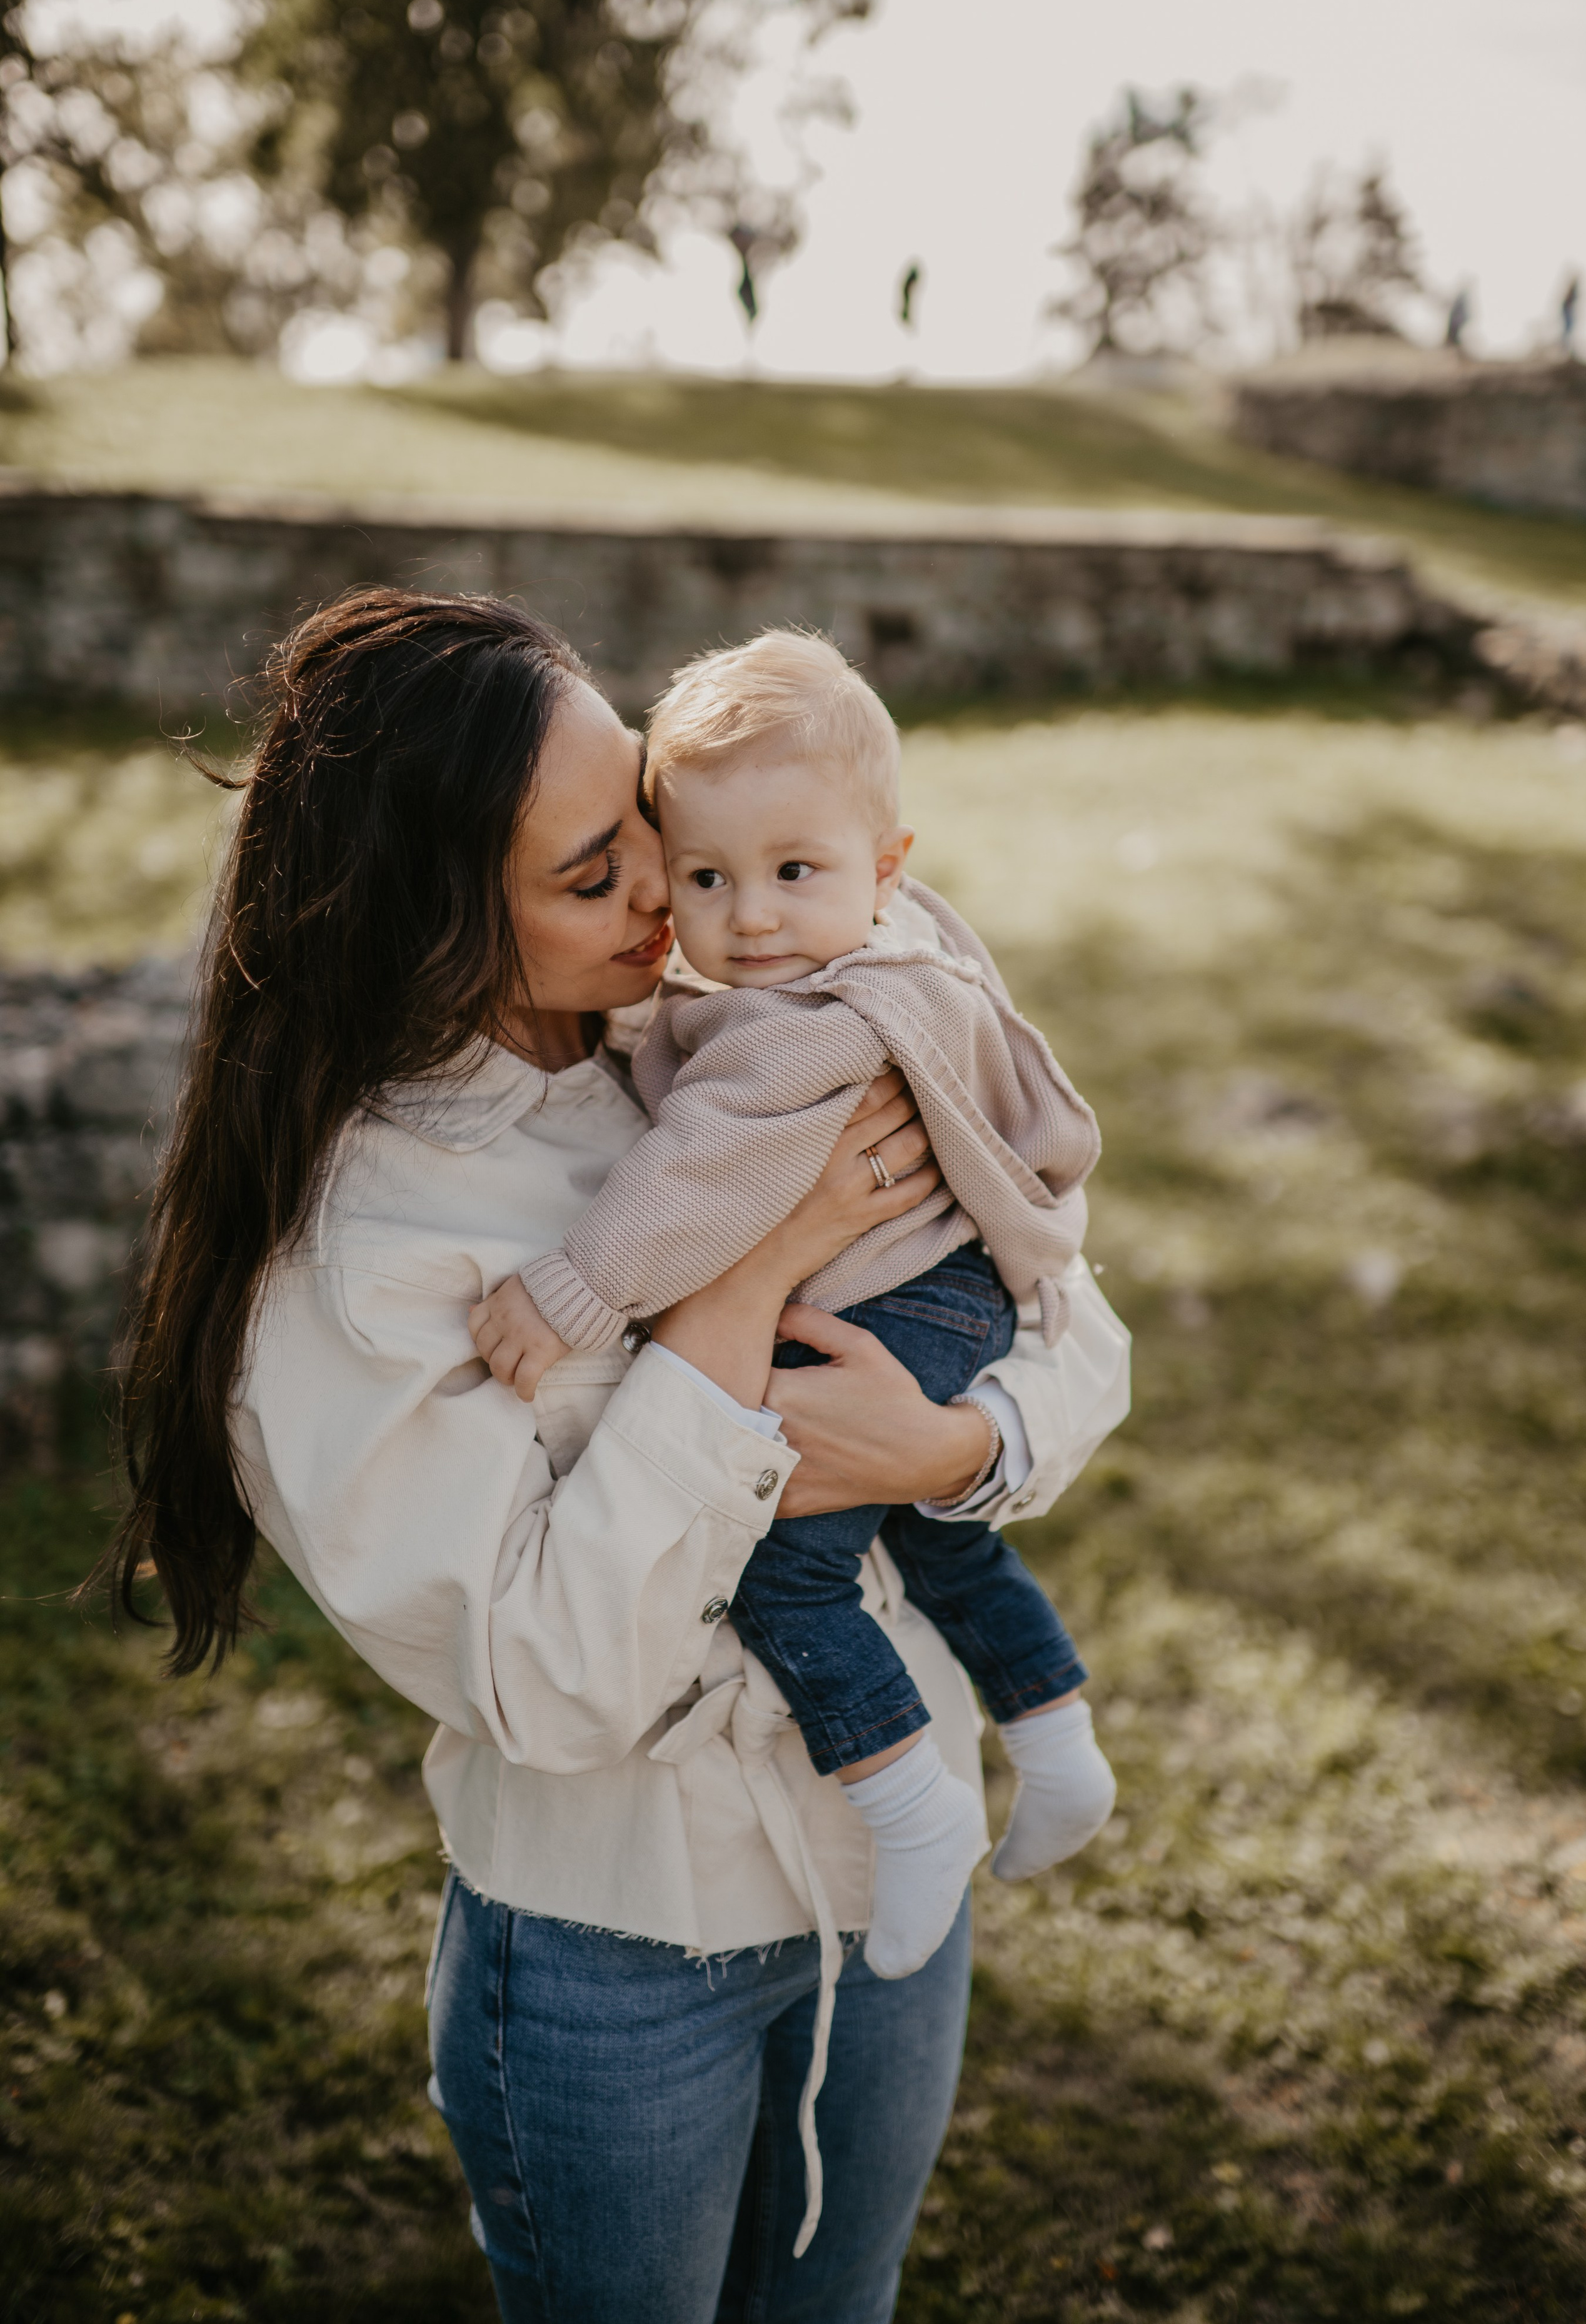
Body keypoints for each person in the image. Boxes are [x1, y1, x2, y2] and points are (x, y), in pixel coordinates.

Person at [108, 586, 1131, 2324]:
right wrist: (744, 1271)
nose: (679, 897)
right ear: (434, 920)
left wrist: (960, 1445)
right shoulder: (364, 1250)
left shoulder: (727, 1032)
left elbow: (1069, 1316)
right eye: (598, 875)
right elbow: (561, 1681)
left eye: (646, 823)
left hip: (898, 1859)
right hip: (616, 1957)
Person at [472, 632, 1118, 1993]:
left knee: (782, 1563)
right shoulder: (904, 945)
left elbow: (699, 1174)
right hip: (948, 1299)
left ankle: (905, 1799)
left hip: (895, 1303)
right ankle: (1054, 1734)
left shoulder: (800, 1025)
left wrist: (578, 1286)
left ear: (883, 864)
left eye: (791, 873)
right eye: (706, 878)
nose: (749, 918)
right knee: (935, 1551)